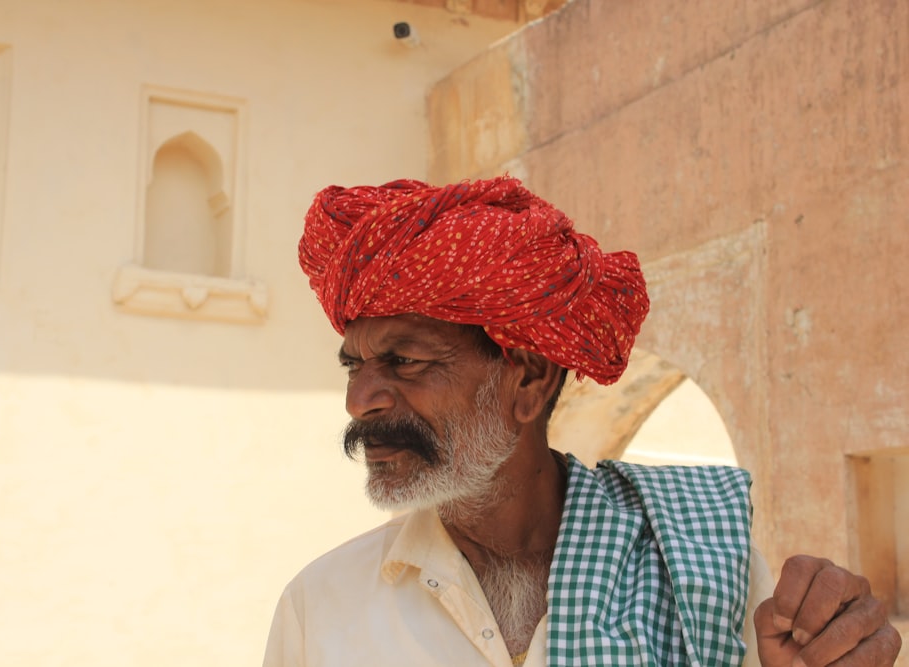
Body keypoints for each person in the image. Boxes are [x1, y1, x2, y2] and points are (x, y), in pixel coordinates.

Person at [263, 176, 902, 666]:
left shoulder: (700, 569)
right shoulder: (322, 609)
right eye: (356, 368)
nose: (360, 401)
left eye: (403, 361)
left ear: (530, 379)